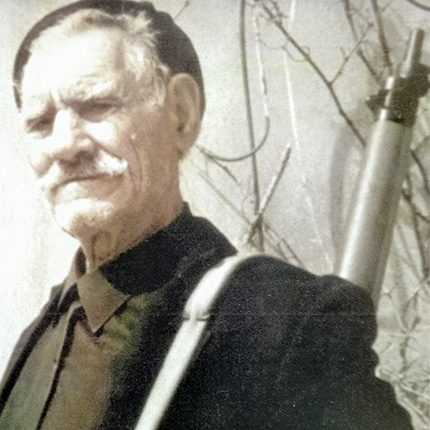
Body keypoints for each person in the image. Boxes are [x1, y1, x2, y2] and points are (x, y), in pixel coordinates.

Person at [0, 1, 413, 429]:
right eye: (39, 122)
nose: (64, 145)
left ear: (181, 114)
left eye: (97, 104)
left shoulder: (284, 324)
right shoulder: (42, 329)